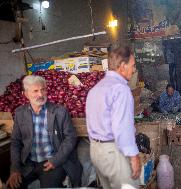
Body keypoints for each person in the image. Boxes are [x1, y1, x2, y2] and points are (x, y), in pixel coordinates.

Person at [6, 75, 82, 189]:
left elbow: (70, 138)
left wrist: (55, 160)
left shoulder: (60, 111)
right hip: (29, 163)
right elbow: (15, 142)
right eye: (35, 91)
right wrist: (15, 169)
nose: (40, 95)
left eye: (43, 90)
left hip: (53, 161)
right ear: (26, 94)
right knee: (12, 186)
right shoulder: (20, 113)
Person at [86, 46, 141, 189]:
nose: (134, 70)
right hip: (113, 152)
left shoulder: (95, 89)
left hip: (95, 151)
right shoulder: (121, 89)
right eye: (133, 65)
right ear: (122, 66)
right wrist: (134, 156)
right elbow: (122, 128)